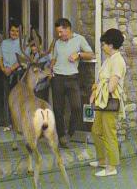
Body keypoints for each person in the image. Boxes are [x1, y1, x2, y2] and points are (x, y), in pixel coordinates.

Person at [50, 18, 94, 148]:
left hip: (72, 78)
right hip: (57, 78)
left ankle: (70, 133)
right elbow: (53, 58)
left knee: (76, 107)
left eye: (61, 32)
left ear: (68, 29)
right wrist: (50, 69)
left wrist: (78, 55)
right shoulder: (57, 43)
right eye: (58, 32)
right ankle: (62, 137)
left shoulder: (79, 39)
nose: (59, 35)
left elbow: (91, 54)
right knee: (58, 109)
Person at [89, 28, 126, 177]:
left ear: (111, 45)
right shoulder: (109, 60)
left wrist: (97, 89)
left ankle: (111, 166)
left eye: (104, 44)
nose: (103, 47)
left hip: (110, 102)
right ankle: (103, 160)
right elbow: (102, 82)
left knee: (109, 133)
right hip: (103, 101)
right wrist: (96, 90)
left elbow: (111, 86)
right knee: (96, 130)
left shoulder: (117, 61)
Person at [0, 20, 23, 128]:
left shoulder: (22, 44)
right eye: (13, 31)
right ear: (9, 31)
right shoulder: (4, 42)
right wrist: (3, 68)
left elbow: (21, 60)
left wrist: (11, 69)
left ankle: (17, 123)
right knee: (6, 98)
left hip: (17, 74)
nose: (15, 33)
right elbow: (0, 57)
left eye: (17, 31)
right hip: (5, 73)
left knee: (17, 99)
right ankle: (7, 122)